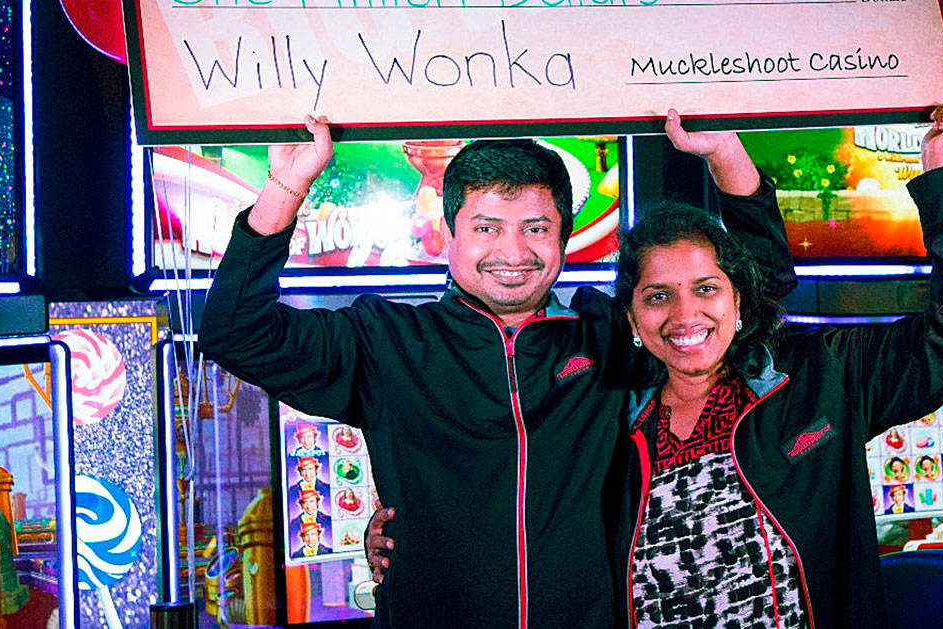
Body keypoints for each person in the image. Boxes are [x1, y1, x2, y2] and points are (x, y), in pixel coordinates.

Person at [198, 110, 795, 628]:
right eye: (487, 229)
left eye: (536, 229)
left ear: (563, 237)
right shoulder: (385, 342)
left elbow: (756, 290)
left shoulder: (608, 334)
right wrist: (286, 184)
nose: (513, 253)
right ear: (447, 233)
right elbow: (236, 332)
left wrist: (725, 152)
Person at [611, 101, 943, 628]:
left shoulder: (824, 376)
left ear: (738, 300)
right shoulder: (609, 418)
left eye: (706, 289)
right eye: (657, 296)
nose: (684, 315)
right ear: (631, 318)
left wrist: (940, 172)